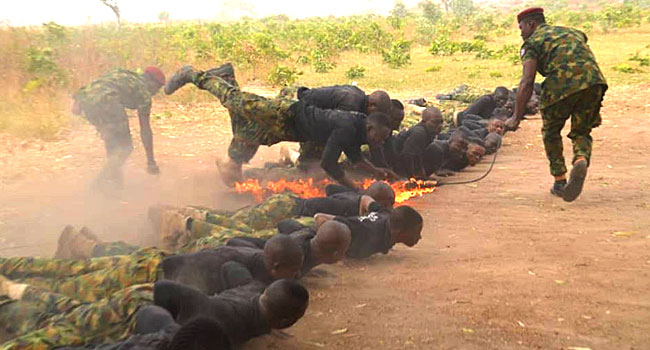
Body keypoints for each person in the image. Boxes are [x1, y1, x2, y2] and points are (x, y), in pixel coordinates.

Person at [164, 65, 396, 189]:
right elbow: (329, 160)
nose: (380, 141)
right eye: (380, 137)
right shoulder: (351, 110)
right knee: (233, 99)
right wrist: (353, 187)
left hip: (293, 124)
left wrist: (377, 171)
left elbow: (353, 155)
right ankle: (193, 74)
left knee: (248, 133)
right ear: (371, 120)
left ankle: (226, 75)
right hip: (287, 111)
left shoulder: (356, 121)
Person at [0, 235, 303, 302]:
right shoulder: (243, 273)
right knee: (69, 285)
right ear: (275, 265)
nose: (296, 276)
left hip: (155, 262)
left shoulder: (255, 255)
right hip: (147, 274)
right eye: (293, 271)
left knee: (74, 270)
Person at [505, 7, 607, 202]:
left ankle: (560, 181)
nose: (521, 33)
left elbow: (527, 81)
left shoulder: (532, 43)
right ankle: (581, 159)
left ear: (531, 24)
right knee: (582, 131)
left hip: (561, 86)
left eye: (521, 28)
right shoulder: (573, 32)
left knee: (551, 132)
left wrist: (515, 118)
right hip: (594, 83)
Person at [72, 67, 165, 188]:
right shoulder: (144, 93)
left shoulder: (124, 73)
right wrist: (151, 162)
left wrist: (78, 101)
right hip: (108, 102)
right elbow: (145, 130)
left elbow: (99, 83)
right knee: (125, 148)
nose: (155, 92)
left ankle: (114, 186)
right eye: (157, 88)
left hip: (85, 99)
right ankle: (98, 183)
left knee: (114, 146)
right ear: (152, 83)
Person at [153, 279, 309, 345]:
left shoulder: (255, 287)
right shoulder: (227, 324)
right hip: (141, 297)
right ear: (285, 322)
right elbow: (162, 287)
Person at [227, 220, 352, 276]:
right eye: (344, 251)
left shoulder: (310, 236)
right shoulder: (293, 259)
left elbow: (285, 223)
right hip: (238, 245)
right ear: (336, 254)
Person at [314, 205, 423, 259]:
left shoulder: (386, 216)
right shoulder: (365, 232)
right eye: (416, 232)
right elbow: (321, 218)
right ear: (399, 231)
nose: (419, 237)